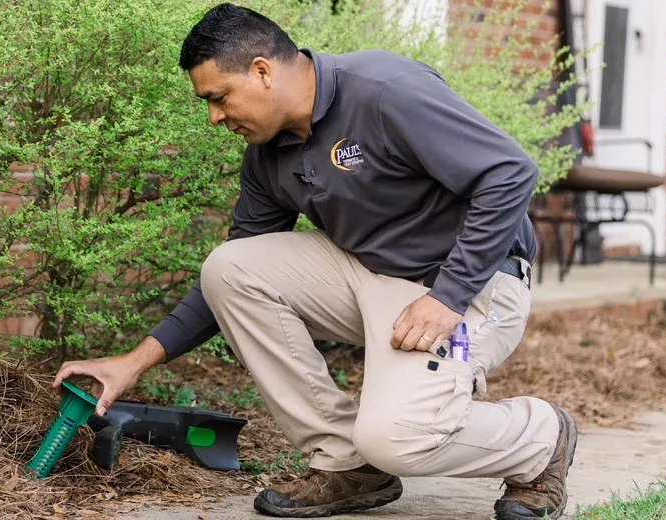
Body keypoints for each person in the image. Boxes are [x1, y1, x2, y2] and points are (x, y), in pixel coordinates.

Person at [51, 4, 577, 519]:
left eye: (217, 97)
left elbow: (510, 173)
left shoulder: (383, 89)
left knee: (398, 439)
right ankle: (348, 463)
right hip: (373, 275)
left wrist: (449, 295)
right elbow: (230, 283)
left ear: (261, 72)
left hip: (473, 283)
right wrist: (132, 363)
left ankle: (540, 436)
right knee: (230, 267)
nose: (214, 117)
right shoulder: (268, 153)